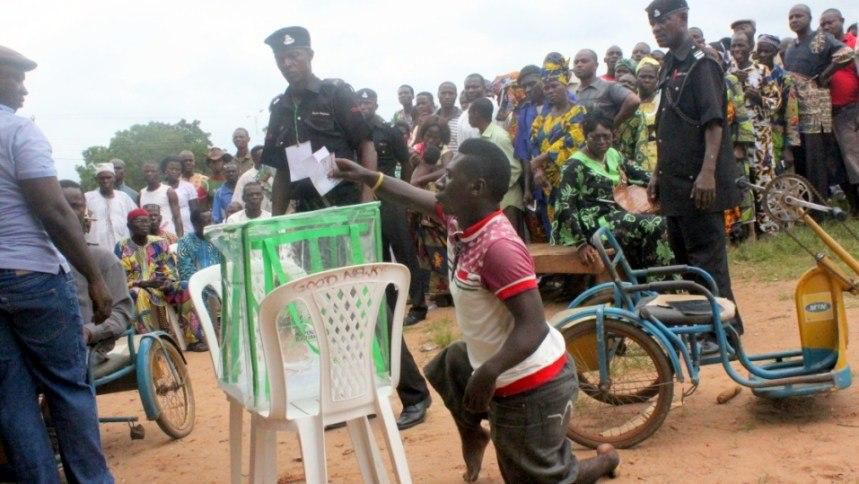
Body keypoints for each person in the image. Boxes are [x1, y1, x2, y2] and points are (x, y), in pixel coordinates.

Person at [332, 138, 620, 483]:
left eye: (449, 177)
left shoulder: (499, 248)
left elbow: (534, 326)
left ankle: (604, 460)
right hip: (501, 368)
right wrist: (367, 176)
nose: (439, 181)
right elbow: (411, 196)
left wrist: (488, 373)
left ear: (476, 188)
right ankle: (476, 433)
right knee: (452, 364)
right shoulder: (459, 218)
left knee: (545, 479)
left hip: (534, 383)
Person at [0, 45, 114, 483]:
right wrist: (96, 279)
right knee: (69, 388)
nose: (24, 88)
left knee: (11, 399)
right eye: (15, 77)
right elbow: (54, 211)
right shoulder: (18, 132)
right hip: (32, 278)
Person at [645, 0, 744, 343]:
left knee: (708, 261)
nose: (656, 28)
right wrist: (657, 173)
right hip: (674, 182)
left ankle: (727, 332)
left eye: (662, 22)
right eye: (652, 25)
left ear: (683, 18)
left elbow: (713, 122)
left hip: (700, 182)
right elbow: (666, 124)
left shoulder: (703, 65)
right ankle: (706, 328)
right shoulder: (668, 65)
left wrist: (708, 173)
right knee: (687, 263)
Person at [353, 88, 433, 428]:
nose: (366, 106)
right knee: (374, 266)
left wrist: (399, 192)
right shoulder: (350, 131)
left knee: (402, 254)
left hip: (386, 197)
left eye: (370, 101)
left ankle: (417, 304)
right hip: (356, 208)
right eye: (362, 101)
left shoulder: (385, 130)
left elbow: (404, 160)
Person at [261, 26, 377, 215]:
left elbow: (366, 146)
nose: (287, 64)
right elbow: (282, 171)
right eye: (280, 59)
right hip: (304, 210)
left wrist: (366, 206)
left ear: (310, 55)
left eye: (293, 55)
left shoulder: (335, 94)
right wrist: (277, 223)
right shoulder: (279, 108)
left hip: (346, 206)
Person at [553, 112, 673, 271]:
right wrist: (580, 243)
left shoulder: (613, 154)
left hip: (621, 214)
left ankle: (646, 278)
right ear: (585, 136)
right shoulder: (574, 165)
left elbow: (640, 174)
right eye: (595, 137)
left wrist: (659, 184)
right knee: (656, 224)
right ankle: (660, 281)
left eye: (606, 136)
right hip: (597, 224)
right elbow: (565, 205)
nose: (602, 141)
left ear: (613, 135)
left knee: (668, 220)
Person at [783, 4, 853, 198]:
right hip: (795, 107)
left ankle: (821, 205)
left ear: (809, 18)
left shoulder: (822, 38)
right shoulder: (791, 46)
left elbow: (846, 53)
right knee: (800, 155)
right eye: (791, 17)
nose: (794, 20)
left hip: (816, 103)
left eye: (798, 16)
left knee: (817, 156)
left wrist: (826, 74)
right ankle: (808, 202)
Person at [115, 208, 207, 351]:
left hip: (160, 287)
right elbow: (120, 280)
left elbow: (170, 268)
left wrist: (167, 282)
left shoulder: (160, 243)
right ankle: (151, 343)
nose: (145, 224)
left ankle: (193, 338)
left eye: (146, 221)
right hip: (137, 288)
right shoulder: (122, 247)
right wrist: (143, 283)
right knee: (138, 293)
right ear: (129, 226)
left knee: (185, 287)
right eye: (140, 221)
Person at [61, 180, 132, 361]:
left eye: (75, 206)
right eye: (61, 205)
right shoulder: (36, 261)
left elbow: (121, 313)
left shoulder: (102, 259)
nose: (68, 212)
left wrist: (88, 332)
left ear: (85, 212)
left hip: (88, 350)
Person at [730, 31, 782, 234]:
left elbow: (776, 102)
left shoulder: (762, 70)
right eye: (734, 46)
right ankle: (746, 230)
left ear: (750, 47)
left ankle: (770, 228)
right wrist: (733, 80)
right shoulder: (728, 71)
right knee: (743, 181)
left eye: (741, 46)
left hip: (760, 136)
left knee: (764, 179)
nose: (737, 50)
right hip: (737, 137)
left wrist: (758, 97)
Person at [530, 53, 587, 223]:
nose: (550, 91)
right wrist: (538, 169)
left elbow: (573, 140)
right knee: (555, 230)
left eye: (554, 86)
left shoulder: (578, 111)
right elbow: (533, 144)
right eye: (546, 88)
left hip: (574, 180)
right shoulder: (542, 118)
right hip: (549, 184)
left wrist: (540, 159)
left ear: (565, 84)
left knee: (577, 228)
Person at [409, 117, 453, 314]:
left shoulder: (445, 151)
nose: (433, 139)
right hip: (420, 208)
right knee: (426, 248)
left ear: (443, 136)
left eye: (437, 136)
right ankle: (438, 292)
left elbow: (448, 170)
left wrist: (422, 178)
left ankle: (447, 290)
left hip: (438, 207)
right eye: (429, 135)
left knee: (442, 247)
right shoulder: (417, 150)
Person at [820, 8, 859, 213]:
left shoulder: (853, 44)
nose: (826, 27)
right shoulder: (822, 49)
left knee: (855, 162)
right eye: (823, 24)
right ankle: (854, 208)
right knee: (838, 165)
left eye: (830, 22)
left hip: (851, 112)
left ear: (841, 21)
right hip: (829, 115)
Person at [469, 97, 524, 235]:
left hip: (508, 201)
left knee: (511, 242)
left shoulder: (499, 136)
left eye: (469, 113)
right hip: (494, 202)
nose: (467, 117)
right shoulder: (480, 136)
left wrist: (495, 189)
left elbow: (515, 168)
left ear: (476, 113)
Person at [756, 34, 801, 175]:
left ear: (775, 53)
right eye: (760, 51)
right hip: (756, 136)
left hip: (778, 137)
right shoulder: (752, 75)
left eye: (767, 51)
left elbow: (791, 114)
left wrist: (788, 147)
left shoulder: (784, 78)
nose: (762, 55)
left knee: (782, 182)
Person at [573, 49, 641, 127]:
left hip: (600, 138)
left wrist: (613, 125)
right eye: (576, 62)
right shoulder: (572, 91)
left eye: (584, 61)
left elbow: (634, 101)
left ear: (596, 65)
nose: (579, 64)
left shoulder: (608, 86)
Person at [85, 162, 138, 249]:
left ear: (114, 178)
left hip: (123, 248)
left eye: (108, 177)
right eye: (102, 178)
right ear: (97, 179)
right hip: (98, 249)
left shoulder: (124, 197)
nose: (105, 181)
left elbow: (136, 219)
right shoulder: (88, 198)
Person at [614, 73, 650, 169]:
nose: (625, 84)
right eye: (622, 82)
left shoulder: (638, 115)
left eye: (630, 83)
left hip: (626, 163)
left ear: (635, 90)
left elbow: (641, 144)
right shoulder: (606, 108)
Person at [139, 161, 183, 237]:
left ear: (158, 173)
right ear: (143, 174)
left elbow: (177, 217)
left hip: (168, 235)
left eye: (153, 171)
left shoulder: (168, 191)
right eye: (147, 171)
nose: (149, 173)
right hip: (149, 238)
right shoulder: (141, 193)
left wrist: (180, 239)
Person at [455, 73, 499, 146]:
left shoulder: (497, 107)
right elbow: (462, 148)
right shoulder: (462, 117)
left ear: (484, 88)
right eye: (467, 87)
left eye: (475, 87)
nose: (470, 90)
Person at [636, 56, 662, 171]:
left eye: (651, 77)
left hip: (658, 155)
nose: (646, 80)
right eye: (643, 76)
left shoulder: (663, 102)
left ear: (657, 79)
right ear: (636, 77)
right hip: (634, 155)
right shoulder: (630, 102)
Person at [232, 144, 275, 213]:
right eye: (261, 157)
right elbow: (237, 202)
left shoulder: (275, 173)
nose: (265, 159)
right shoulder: (245, 177)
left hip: (275, 215)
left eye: (266, 156)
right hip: (254, 217)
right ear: (253, 158)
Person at [163, 154, 198, 233]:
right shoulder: (160, 188)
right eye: (171, 169)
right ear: (165, 170)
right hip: (167, 230)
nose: (174, 171)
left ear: (181, 171)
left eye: (178, 169)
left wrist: (198, 231)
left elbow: (194, 211)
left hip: (188, 229)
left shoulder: (188, 186)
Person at [436, 81, 462, 151]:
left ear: (456, 95)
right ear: (438, 95)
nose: (447, 97)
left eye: (451, 93)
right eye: (443, 93)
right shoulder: (432, 119)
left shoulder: (464, 118)